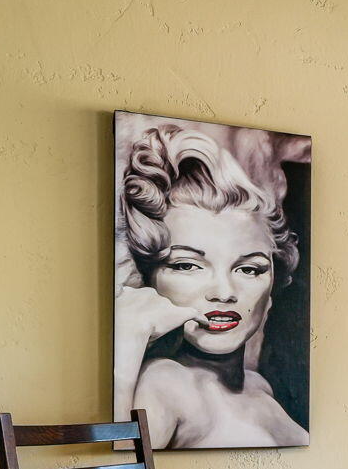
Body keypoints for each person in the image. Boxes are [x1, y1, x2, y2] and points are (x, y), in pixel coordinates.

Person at [116, 121, 310, 448]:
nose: (224, 292)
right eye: (187, 265)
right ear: (149, 277)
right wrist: (126, 340)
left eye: (249, 269)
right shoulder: (165, 384)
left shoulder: (258, 386)